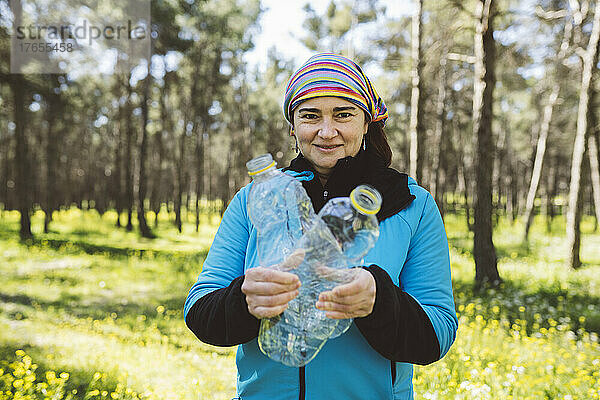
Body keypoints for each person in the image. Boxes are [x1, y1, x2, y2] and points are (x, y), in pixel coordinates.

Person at [184, 53, 458, 400]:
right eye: (310, 116)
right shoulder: (254, 200)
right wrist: (243, 300)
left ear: (366, 123)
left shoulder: (413, 205)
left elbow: (438, 333)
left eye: (343, 114)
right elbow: (199, 309)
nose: (327, 132)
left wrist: (379, 300)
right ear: (293, 127)